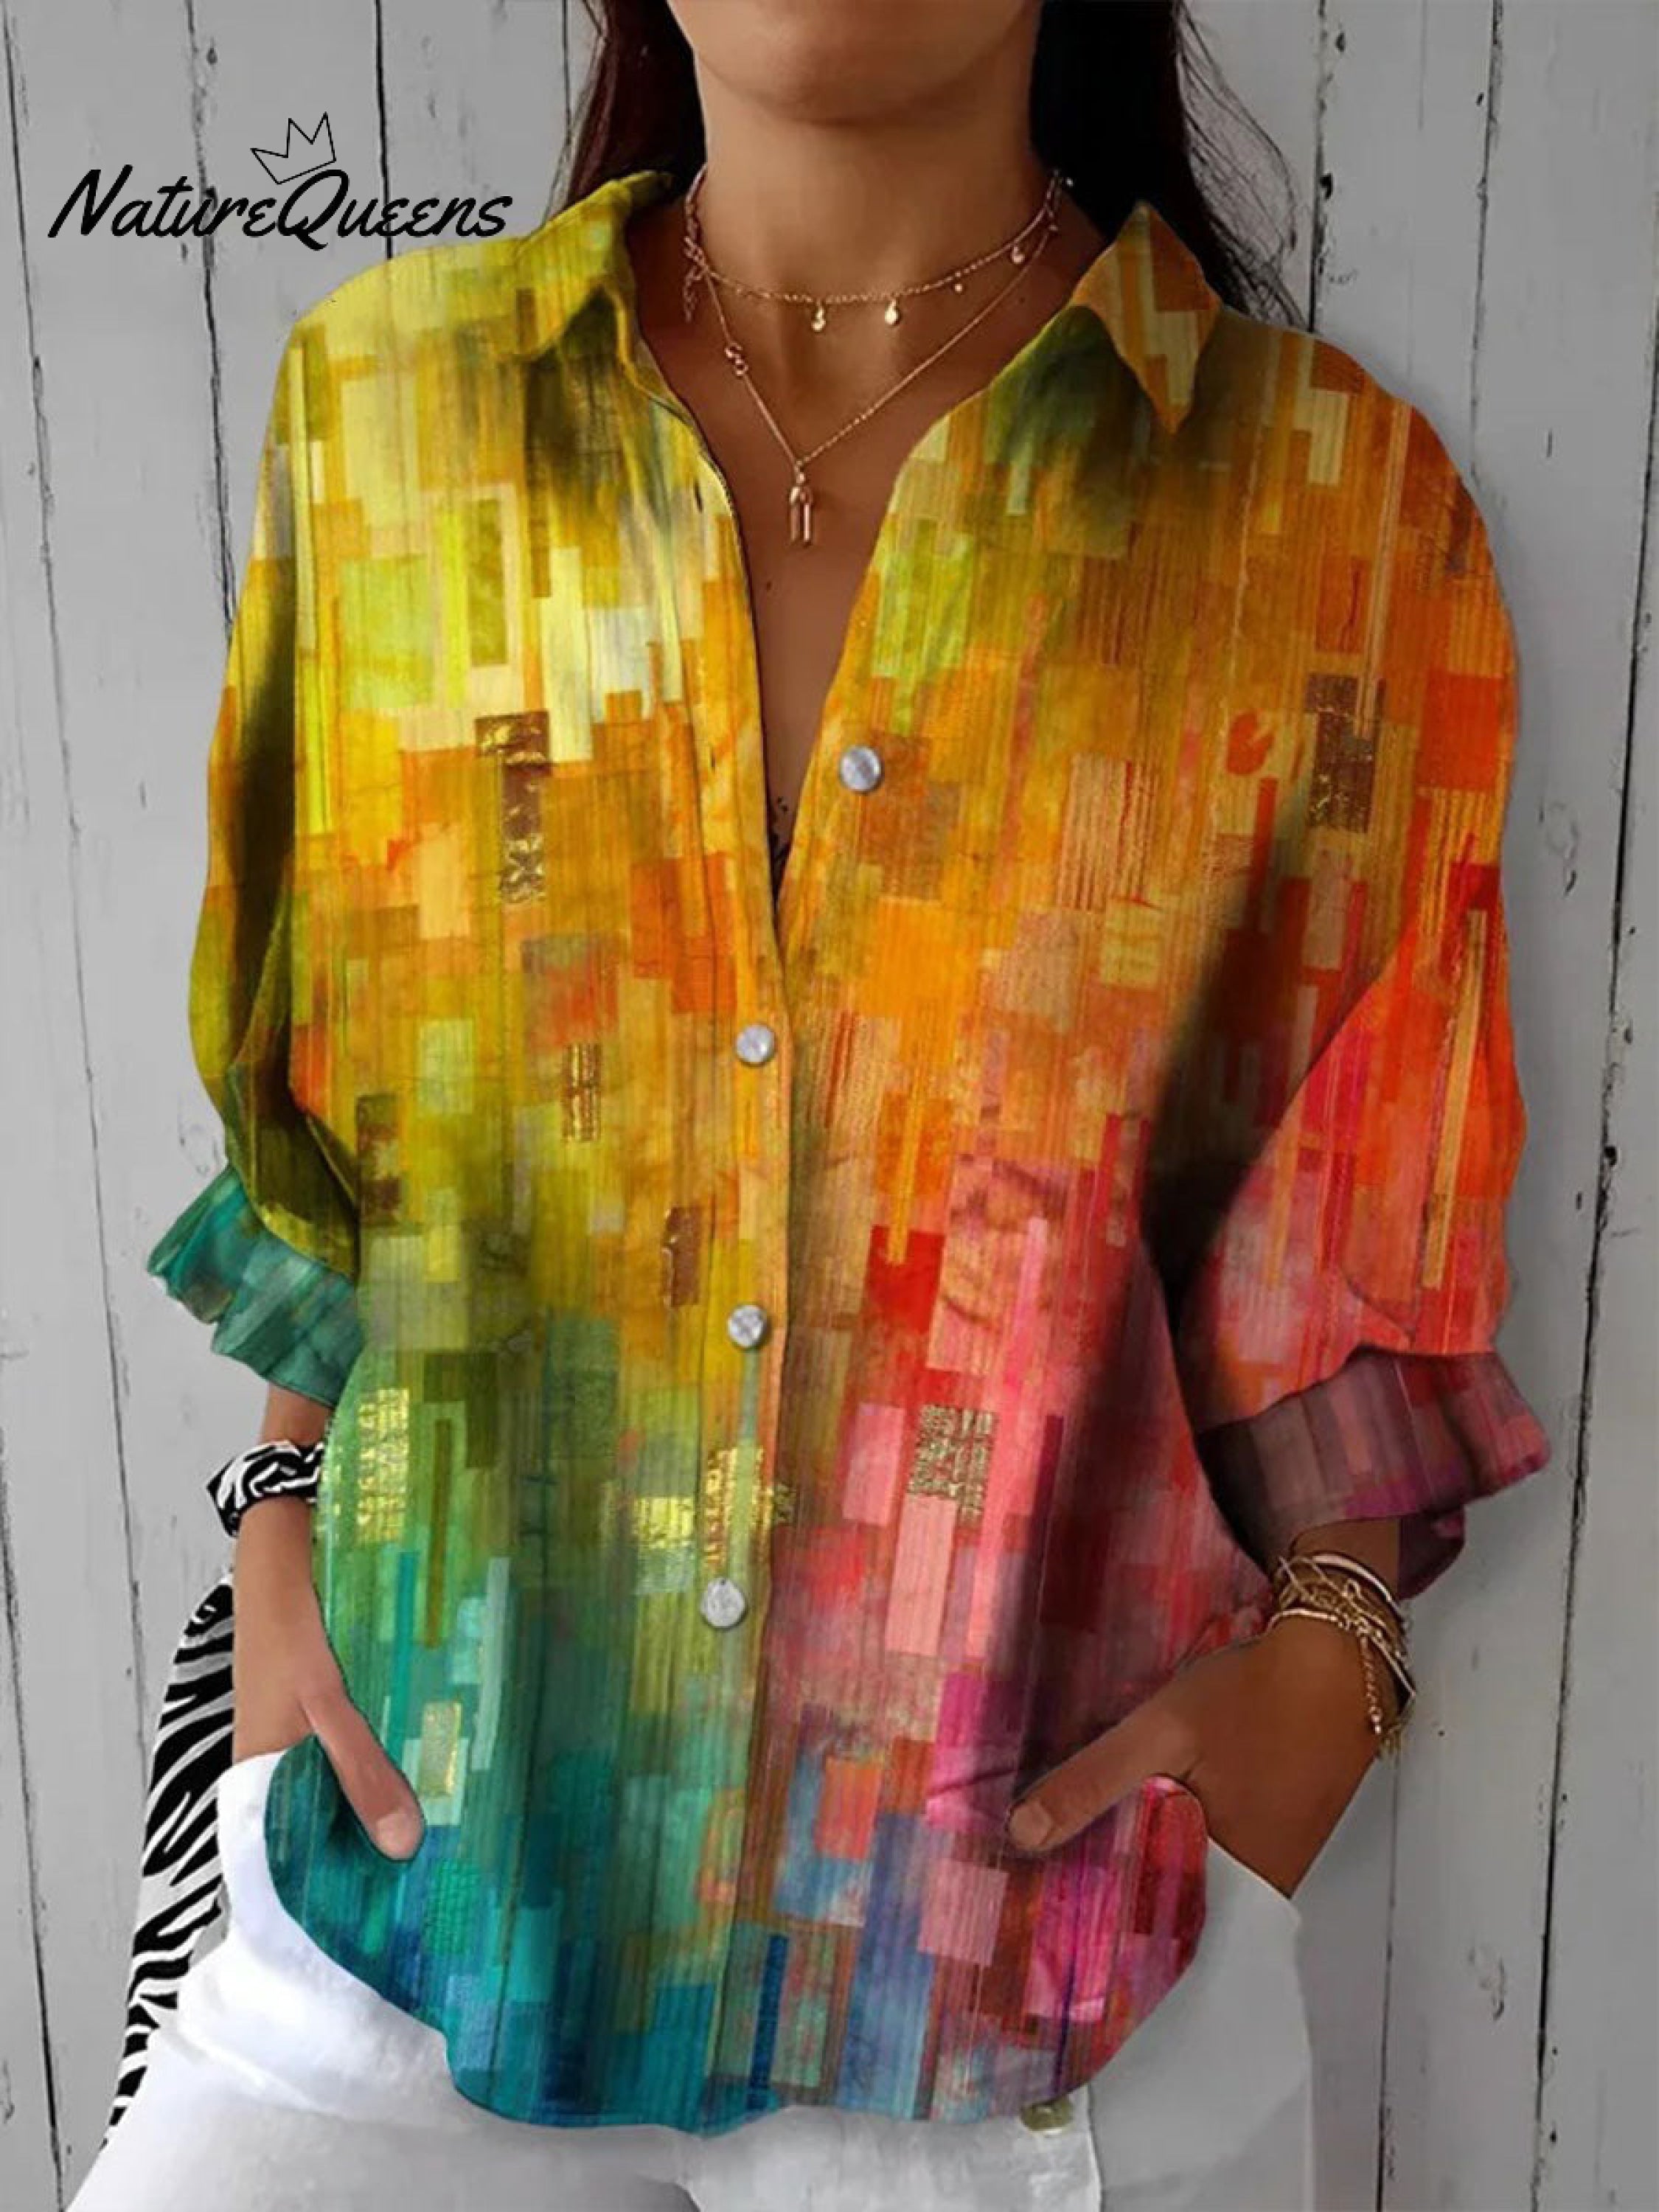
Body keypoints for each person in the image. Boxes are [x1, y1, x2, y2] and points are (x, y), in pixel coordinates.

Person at [71, 1, 1554, 2206]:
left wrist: (1319, 1689)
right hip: (418, 1882)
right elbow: (351, 1100)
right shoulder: (393, 418)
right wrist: (276, 1510)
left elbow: (1347, 1200)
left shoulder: (1322, 507)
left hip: (1031, 1971)